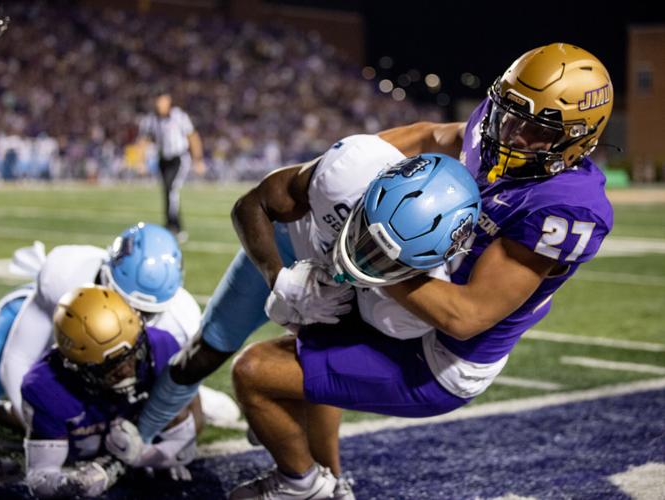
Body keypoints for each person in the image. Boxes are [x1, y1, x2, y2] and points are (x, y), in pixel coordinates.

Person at [223, 42, 615, 498]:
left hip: (444, 358)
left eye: (536, 130)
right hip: (420, 289)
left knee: (253, 373)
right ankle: (328, 486)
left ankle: (299, 485)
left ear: (580, 138)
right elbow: (432, 136)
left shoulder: (565, 205)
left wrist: (366, 248)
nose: (512, 134)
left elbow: (464, 318)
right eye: (509, 114)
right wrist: (349, 168)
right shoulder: (492, 126)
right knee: (317, 327)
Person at [0, 222, 238, 441]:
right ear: (106, 277)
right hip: (53, 340)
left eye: (145, 313)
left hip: (108, 375)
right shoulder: (66, 277)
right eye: (126, 303)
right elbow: (18, 358)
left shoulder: (179, 321)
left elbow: (179, 416)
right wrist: (40, 429)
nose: (131, 318)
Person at [22, 286, 197, 497]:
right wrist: (72, 483)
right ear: (75, 366)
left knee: (190, 403)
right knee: (22, 418)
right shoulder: (48, 386)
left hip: (128, 431)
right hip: (83, 440)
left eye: (131, 354)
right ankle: (1, 413)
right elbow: (39, 478)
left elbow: (186, 447)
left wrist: (139, 456)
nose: (125, 370)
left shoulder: (161, 347)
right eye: (109, 366)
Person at [138, 92, 206, 240]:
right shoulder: (151, 119)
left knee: (171, 189)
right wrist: (141, 161)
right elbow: (144, 140)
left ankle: (175, 226)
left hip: (178, 158)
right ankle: (171, 225)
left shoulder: (179, 117)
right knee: (167, 192)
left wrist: (198, 159)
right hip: (163, 159)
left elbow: (193, 137)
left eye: (162, 101)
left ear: (168, 101)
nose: (159, 104)